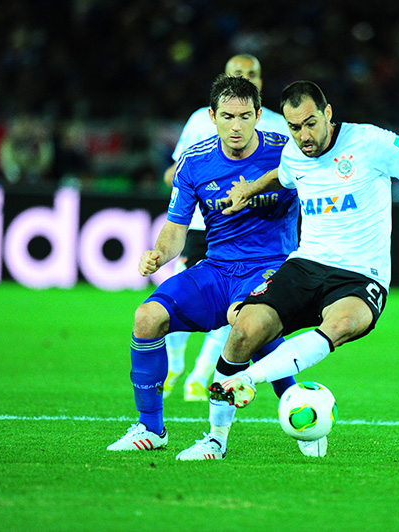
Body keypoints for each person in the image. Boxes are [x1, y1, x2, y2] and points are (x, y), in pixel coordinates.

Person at [201, 80, 399, 458]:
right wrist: (250, 189)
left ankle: (246, 380)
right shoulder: (294, 154)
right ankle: (215, 440)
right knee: (243, 331)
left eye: (310, 123)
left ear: (327, 113)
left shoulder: (370, 142)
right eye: (294, 127)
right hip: (306, 264)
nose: (303, 136)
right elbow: (283, 174)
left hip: (361, 274)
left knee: (340, 324)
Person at [107, 75, 299, 457]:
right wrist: (159, 254)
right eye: (228, 116)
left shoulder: (288, 153)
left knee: (244, 326)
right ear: (212, 116)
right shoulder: (194, 161)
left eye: (245, 116)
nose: (237, 126)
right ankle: (151, 429)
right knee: (147, 317)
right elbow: (176, 228)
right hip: (216, 268)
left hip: (271, 267)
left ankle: (220, 437)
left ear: (259, 115)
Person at [161, 53, 291, 402]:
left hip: (256, 235)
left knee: (241, 310)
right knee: (177, 299)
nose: (246, 78)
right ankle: (175, 364)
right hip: (204, 226)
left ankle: (201, 375)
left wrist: (256, 190)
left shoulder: (279, 127)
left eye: (253, 74)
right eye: (239, 73)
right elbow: (173, 173)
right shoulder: (200, 123)